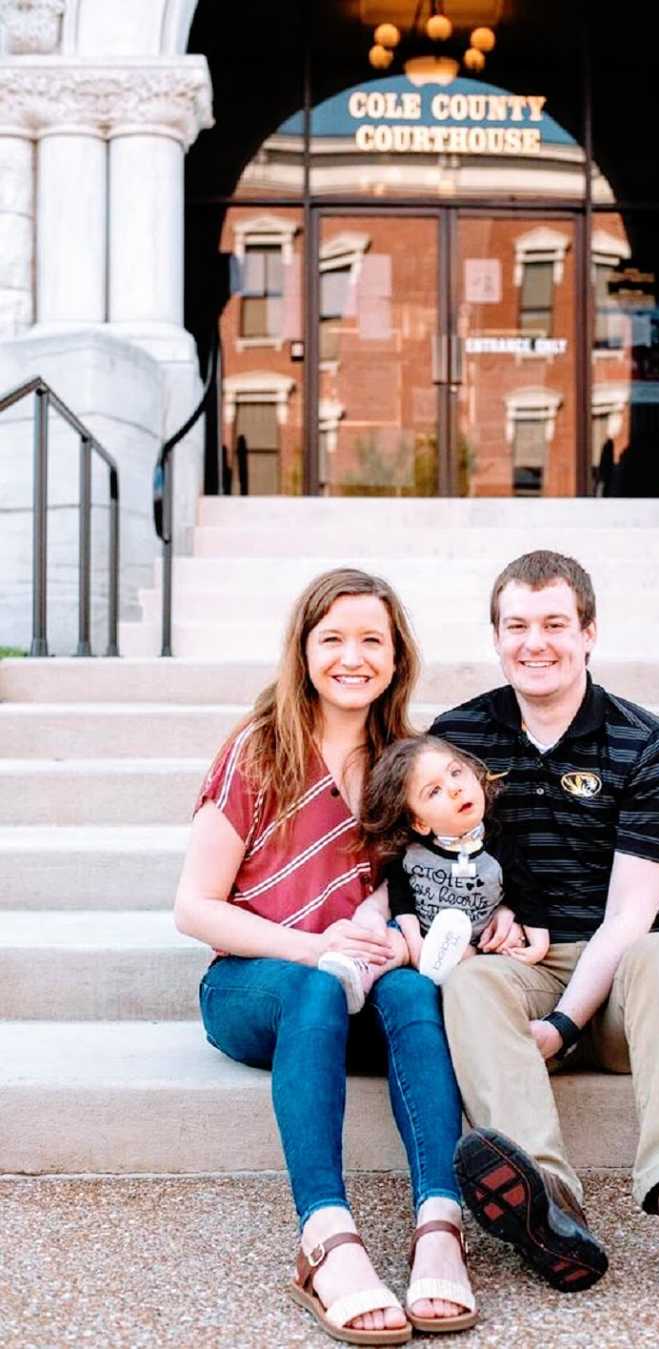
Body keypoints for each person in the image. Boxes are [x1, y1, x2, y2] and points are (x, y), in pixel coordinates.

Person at [431, 550, 659, 1295]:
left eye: (553, 623)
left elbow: (629, 917)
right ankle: (546, 1207)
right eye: (516, 625)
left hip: (623, 982)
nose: (534, 642)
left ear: (589, 632)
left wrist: (565, 1026)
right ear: (496, 635)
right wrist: (491, 908)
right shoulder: (458, 738)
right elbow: (432, 856)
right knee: (471, 982)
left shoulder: (651, 745)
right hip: (526, 967)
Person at [174, 568, 477, 1345]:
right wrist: (315, 944)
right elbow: (194, 908)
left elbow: (435, 879)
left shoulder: (403, 763)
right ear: (303, 650)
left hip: (364, 987)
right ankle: (325, 1237)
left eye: (372, 638)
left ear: (396, 653)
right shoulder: (258, 750)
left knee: (413, 995)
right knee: (313, 985)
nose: (353, 656)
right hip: (254, 986)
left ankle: (440, 1221)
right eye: (332, 638)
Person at [356, 734, 549, 988]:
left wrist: (539, 944)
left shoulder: (500, 849)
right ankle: (356, 976)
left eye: (456, 773)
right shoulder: (412, 854)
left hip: (473, 945)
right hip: (419, 934)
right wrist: (415, 942)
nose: (454, 788)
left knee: (475, 960)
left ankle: (443, 966)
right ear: (419, 822)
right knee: (390, 941)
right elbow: (400, 896)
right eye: (434, 791)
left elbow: (526, 894)